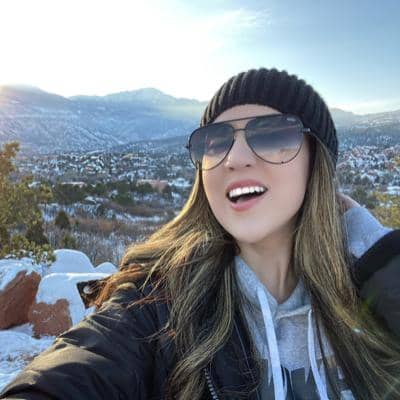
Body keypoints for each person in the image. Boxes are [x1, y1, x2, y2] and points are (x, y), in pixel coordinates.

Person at [1, 67, 400, 400]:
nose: (235, 158)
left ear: (317, 161)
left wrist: (377, 252)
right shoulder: (158, 304)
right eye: (216, 141)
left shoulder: (376, 294)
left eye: (273, 134)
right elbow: (82, 368)